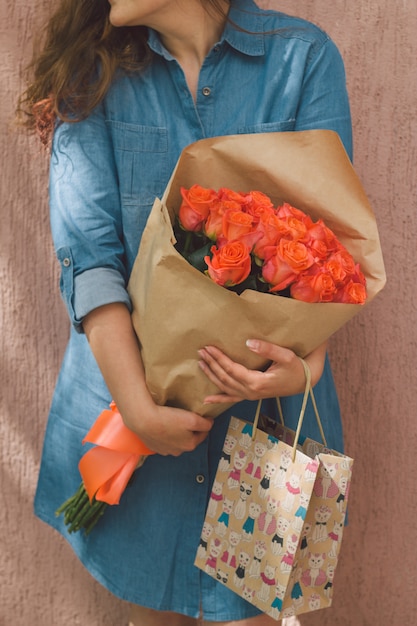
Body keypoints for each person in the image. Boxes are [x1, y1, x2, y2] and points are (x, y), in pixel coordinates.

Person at [18, 1, 352, 624]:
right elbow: (90, 261)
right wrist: (140, 413)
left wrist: (305, 367)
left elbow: (328, 250)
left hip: (267, 428)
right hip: (130, 429)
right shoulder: (93, 74)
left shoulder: (302, 59)